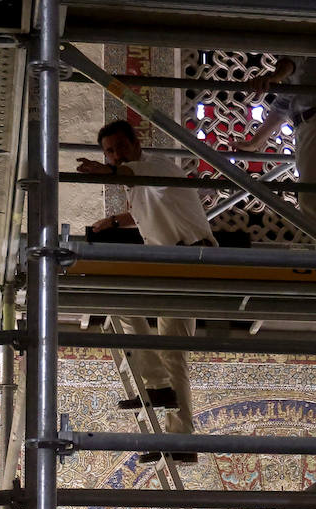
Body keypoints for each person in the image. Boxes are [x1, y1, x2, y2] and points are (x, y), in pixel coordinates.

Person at [77, 119, 215, 463]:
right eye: (109, 152)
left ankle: (155, 384)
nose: (115, 155)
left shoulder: (155, 168)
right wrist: (113, 221)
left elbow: (142, 180)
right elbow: (144, 211)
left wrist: (106, 173)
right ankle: (181, 441)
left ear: (136, 143)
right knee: (174, 353)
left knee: (121, 304)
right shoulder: (137, 182)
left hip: (186, 259)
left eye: (120, 147)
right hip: (177, 265)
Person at [243, 56, 316, 245]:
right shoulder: (295, 59)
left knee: (315, 199)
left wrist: (274, 77)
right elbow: (284, 102)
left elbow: (292, 62)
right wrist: (255, 142)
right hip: (310, 123)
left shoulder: (310, 39)